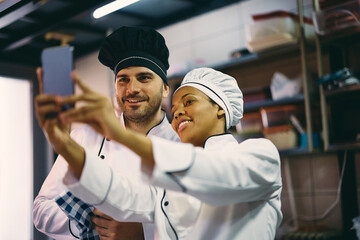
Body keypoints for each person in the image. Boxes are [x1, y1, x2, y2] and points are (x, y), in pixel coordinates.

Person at [55, 67, 283, 239]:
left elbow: (216, 175)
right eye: (173, 111)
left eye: (189, 101)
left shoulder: (260, 154)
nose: (178, 113)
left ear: (221, 108)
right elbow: (126, 195)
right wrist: (66, 146)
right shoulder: (170, 185)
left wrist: (121, 134)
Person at [33, 26, 179, 240]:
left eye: (144, 78)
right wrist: (89, 219)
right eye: (123, 79)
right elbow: (40, 211)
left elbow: (202, 224)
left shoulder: (182, 146)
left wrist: (145, 233)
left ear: (165, 88)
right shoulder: (84, 137)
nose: (132, 89)